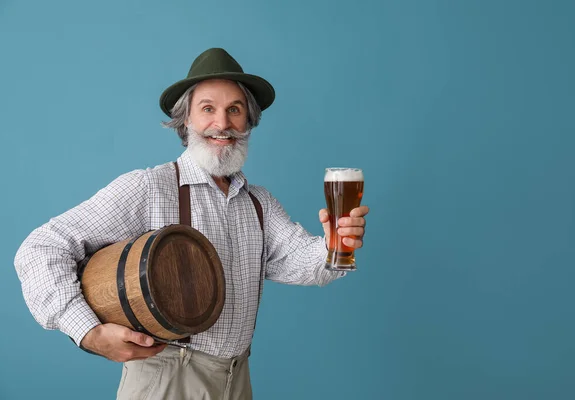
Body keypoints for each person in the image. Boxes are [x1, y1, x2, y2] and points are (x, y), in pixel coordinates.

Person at [14, 48, 369, 399]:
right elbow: (42, 248)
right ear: (186, 120)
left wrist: (336, 245)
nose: (223, 123)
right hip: (168, 380)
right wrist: (87, 331)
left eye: (235, 109)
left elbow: (303, 263)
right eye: (208, 109)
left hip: (237, 378)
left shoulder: (259, 203)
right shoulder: (150, 187)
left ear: (249, 121)